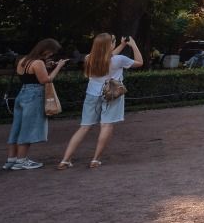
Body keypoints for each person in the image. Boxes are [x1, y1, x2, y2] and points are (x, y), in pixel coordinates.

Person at [59, 33, 142, 169]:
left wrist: (121, 45)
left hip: (92, 94)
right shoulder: (119, 60)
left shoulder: (88, 58)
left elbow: (106, 58)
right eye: (113, 42)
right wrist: (133, 45)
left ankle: (65, 160)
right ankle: (95, 160)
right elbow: (140, 62)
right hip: (112, 94)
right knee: (106, 125)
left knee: (84, 127)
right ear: (110, 45)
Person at [5, 38, 65, 170]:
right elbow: (46, 80)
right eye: (51, 52)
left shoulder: (23, 60)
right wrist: (59, 67)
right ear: (46, 50)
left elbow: (29, 74)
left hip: (22, 94)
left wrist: (46, 66)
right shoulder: (38, 63)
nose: (51, 55)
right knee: (28, 128)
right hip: (34, 96)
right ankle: (22, 160)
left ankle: (11, 159)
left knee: (17, 127)